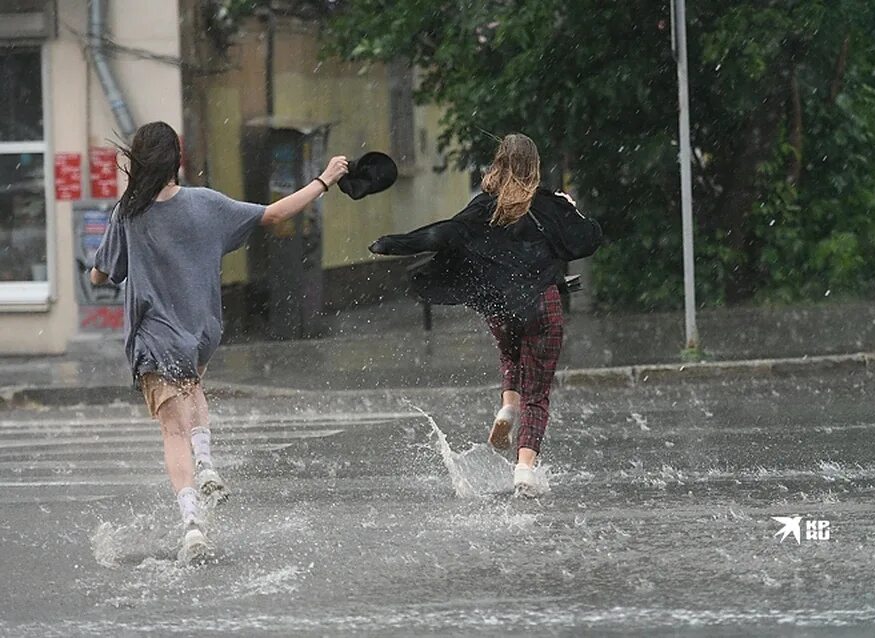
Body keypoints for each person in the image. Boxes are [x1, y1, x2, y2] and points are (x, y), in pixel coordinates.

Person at [90, 121, 349, 561]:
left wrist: (94, 271)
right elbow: (275, 214)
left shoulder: (127, 214)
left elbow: (103, 273)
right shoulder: (207, 204)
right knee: (193, 389)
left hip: (155, 339)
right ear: (178, 160)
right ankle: (207, 460)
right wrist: (324, 180)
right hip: (201, 332)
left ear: (138, 161)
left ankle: (191, 522)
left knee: (173, 431)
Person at [368, 133, 601, 495]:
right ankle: (524, 470)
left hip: (500, 304)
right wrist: (570, 209)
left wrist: (393, 243)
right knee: (537, 394)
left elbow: (444, 233)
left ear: (498, 163)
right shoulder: (550, 205)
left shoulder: (483, 208)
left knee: (511, 352)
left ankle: (507, 406)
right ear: (534, 167)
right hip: (542, 302)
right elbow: (589, 238)